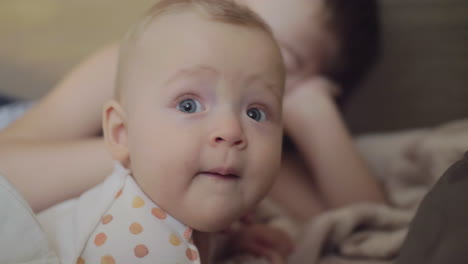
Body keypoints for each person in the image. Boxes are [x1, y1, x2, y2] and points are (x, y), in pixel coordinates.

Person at [0, 0, 384, 223]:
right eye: (231, 12)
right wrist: (150, 154)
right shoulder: (139, 65)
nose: (236, 43)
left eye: (279, 53)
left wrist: (317, 115)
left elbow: (371, 226)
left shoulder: (239, 146)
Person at [36, 0, 293, 263]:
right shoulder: (133, 245)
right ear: (121, 133)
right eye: (188, 105)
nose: (230, 131)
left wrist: (230, 243)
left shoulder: (181, 206)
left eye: (255, 113)